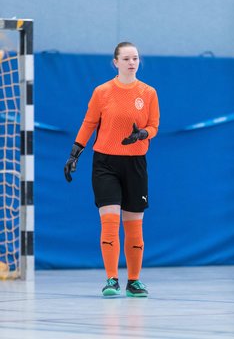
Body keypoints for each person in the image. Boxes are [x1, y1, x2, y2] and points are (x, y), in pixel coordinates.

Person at [64, 42, 160, 297]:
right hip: (105, 163)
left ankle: (135, 280)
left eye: (136, 58)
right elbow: (89, 123)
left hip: (135, 163)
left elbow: (154, 126)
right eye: (126, 58)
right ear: (115, 62)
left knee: (134, 227)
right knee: (109, 222)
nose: (132, 62)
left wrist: (142, 134)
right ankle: (111, 279)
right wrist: (75, 152)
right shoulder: (102, 91)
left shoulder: (148, 92)